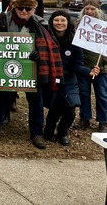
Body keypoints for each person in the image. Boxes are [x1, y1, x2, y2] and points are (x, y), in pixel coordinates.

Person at [0, 0, 63, 149]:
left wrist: (40, 56)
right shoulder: (3, 21)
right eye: (21, 8)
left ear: (33, 9)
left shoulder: (41, 24)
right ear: (15, 7)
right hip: (4, 68)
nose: (24, 11)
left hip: (32, 69)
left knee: (36, 101)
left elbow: (52, 45)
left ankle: (37, 133)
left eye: (28, 8)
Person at [45, 11, 93, 146]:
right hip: (51, 79)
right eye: (56, 20)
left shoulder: (75, 42)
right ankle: (48, 130)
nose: (59, 23)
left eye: (63, 20)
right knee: (55, 108)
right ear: (51, 22)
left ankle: (63, 132)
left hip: (69, 80)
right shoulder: (46, 39)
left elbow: (77, 65)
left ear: (68, 23)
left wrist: (89, 72)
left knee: (70, 110)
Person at [73, 0, 107, 131]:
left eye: (92, 9)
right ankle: (84, 118)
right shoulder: (78, 25)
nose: (89, 11)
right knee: (84, 94)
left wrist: (103, 62)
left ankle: (103, 121)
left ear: (98, 10)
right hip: (83, 66)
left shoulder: (104, 26)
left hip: (101, 67)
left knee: (102, 95)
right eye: (87, 9)